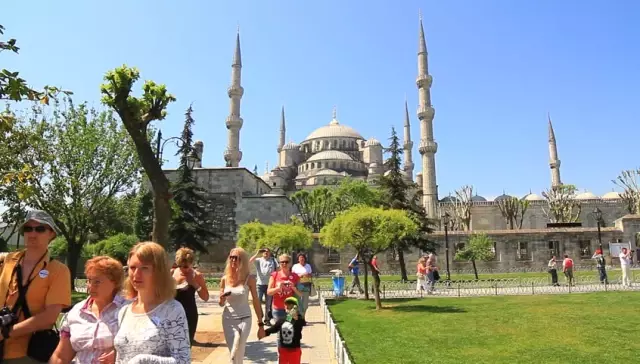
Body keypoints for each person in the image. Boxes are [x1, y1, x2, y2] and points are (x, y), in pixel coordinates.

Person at [0, 210, 71, 364]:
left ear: (51, 234)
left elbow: (49, 318)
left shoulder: (58, 270)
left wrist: (6, 332)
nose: (33, 233)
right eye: (28, 229)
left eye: (40, 229)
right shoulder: (9, 260)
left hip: (26, 353)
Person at [113, 242, 191, 364]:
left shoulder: (172, 310)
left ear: (159, 272)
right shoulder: (124, 311)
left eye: (144, 268)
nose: (136, 274)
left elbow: (183, 360)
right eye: (132, 268)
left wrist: (143, 360)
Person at [50, 256, 127, 364]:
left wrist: (119, 353)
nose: (90, 286)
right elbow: (61, 356)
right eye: (89, 280)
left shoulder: (129, 310)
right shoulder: (77, 312)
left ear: (115, 282)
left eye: (97, 282)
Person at [219, 248, 264, 364]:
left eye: (236, 258)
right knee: (234, 354)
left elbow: (255, 301)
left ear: (242, 260)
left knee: (238, 347)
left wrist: (260, 323)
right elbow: (221, 304)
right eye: (231, 257)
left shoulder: (250, 279)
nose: (233, 260)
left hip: (245, 318)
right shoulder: (224, 279)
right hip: (228, 320)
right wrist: (222, 298)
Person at [171, 247, 209, 345]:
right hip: (172, 315)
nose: (184, 269)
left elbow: (206, 297)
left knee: (185, 347)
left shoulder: (197, 275)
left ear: (191, 263)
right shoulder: (171, 273)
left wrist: (195, 284)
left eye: (186, 266)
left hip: (189, 316)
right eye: (180, 266)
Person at [258, 296, 306, 364]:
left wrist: (296, 316)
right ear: (285, 307)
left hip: (295, 349)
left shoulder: (299, 319)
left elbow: (303, 322)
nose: (289, 308)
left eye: (291, 306)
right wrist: (265, 333)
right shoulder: (282, 320)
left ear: (296, 308)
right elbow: (274, 328)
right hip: (283, 349)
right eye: (287, 306)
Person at [267, 254, 302, 322]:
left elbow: (300, 294)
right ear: (279, 263)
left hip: (291, 309)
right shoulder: (274, 275)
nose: (284, 264)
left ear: (290, 263)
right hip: (278, 309)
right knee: (280, 330)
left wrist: (293, 288)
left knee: (288, 327)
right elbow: (268, 292)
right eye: (282, 262)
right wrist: (278, 288)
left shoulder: (295, 276)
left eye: (286, 262)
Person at [249, 248, 277, 326]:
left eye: (267, 251)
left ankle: (267, 320)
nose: (266, 253)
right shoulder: (259, 260)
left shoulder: (273, 260)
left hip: (270, 285)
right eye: (264, 251)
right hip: (260, 284)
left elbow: (277, 270)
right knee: (258, 301)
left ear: (270, 253)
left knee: (268, 304)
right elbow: (250, 261)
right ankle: (260, 316)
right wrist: (257, 253)